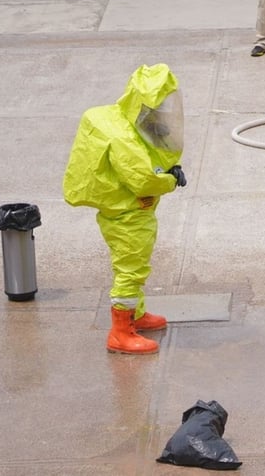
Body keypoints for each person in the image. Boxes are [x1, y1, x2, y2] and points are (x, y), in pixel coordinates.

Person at [63, 64, 188, 354]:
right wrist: (171, 180)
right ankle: (120, 331)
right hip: (127, 214)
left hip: (130, 210)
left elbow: (154, 151)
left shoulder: (129, 119)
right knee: (130, 268)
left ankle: (136, 314)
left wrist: (169, 165)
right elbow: (143, 179)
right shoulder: (124, 139)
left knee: (137, 265)